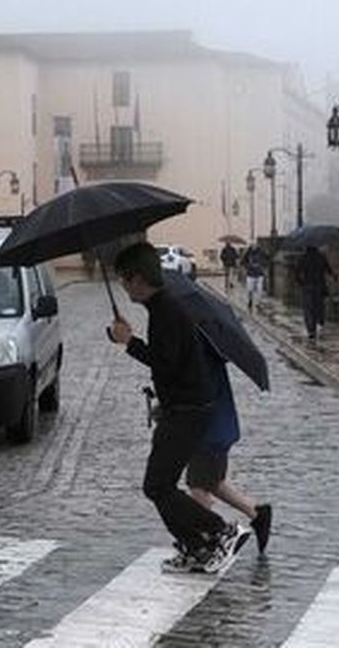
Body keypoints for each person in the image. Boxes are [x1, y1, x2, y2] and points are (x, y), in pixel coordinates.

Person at [108, 242, 251, 575]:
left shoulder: (166, 312)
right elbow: (173, 364)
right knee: (161, 485)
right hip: (184, 407)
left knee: (157, 485)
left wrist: (128, 342)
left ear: (139, 280)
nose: (123, 288)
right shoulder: (163, 308)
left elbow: (165, 364)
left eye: (124, 281)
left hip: (188, 411)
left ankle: (219, 531)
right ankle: (196, 547)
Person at [186, 349, 273, 554]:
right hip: (219, 428)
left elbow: (193, 392)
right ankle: (257, 513)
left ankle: (210, 538)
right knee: (214, 482)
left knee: (198, 486)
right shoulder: (209, 352)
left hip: (207, 432)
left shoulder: (198, 356)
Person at [294, 244, 337, 340]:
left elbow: (297, 273)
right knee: (319, 306)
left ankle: (311, 330)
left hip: (308, 286)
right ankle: (320, 322)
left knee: (308, 309)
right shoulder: (321, 257)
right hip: (319, 286)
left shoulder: (303, 258)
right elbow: (328, 270)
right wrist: (334, 276)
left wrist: (302, 283)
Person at [242, 245, 267, 312]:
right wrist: (247, 267)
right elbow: (243, 261)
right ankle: (250, 300)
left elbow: (266, 259)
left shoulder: (261, 252)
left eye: (255, 245)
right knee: (250, 290)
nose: (254, 246)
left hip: (259, 274)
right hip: (250, 274)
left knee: (259, 290)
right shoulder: (248, 253)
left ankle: (259, 303)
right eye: (253, 245)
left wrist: (263, 267)